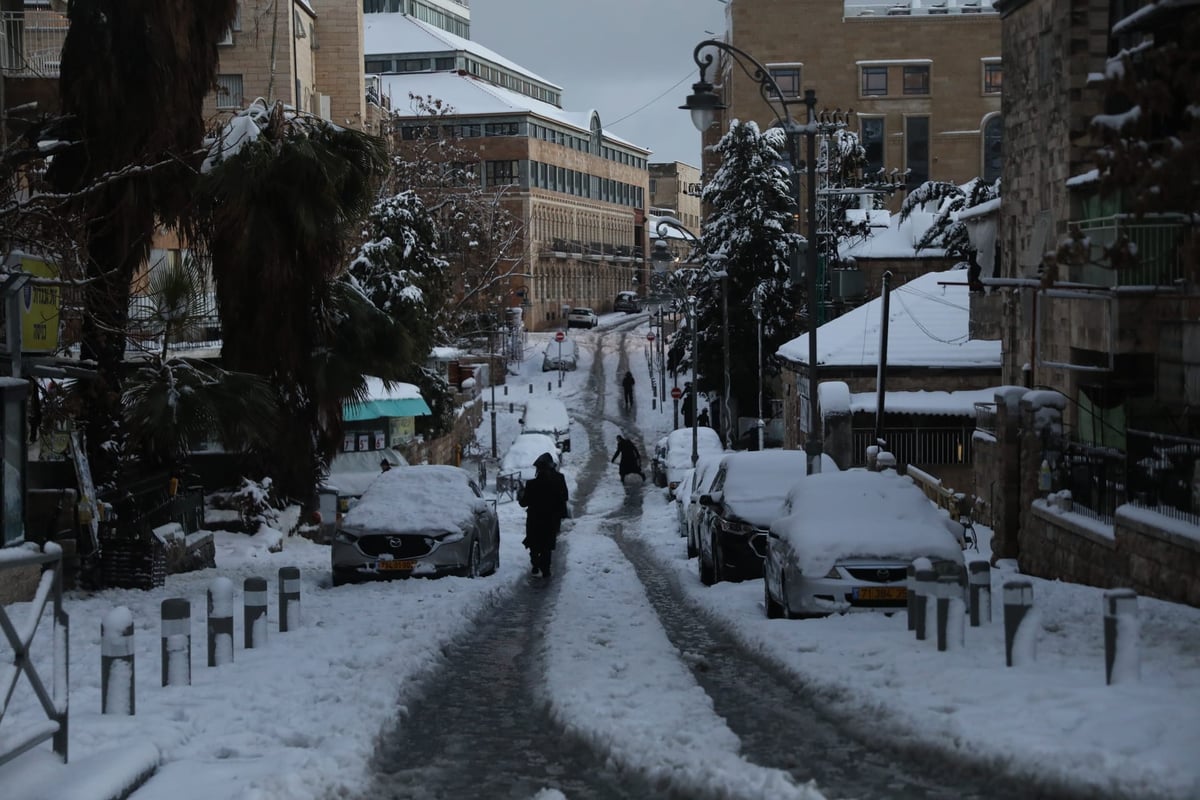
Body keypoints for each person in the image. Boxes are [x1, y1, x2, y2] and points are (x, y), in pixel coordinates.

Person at [517, 452, 569, 578]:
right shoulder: (559, 479)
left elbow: (524, 503)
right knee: (547, 545)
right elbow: (565, 497)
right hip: (551, 519)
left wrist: (520, 494)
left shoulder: (532, 484)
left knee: (534, 542)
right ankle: (546, 568)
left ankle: (535, 563)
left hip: (535, 519)